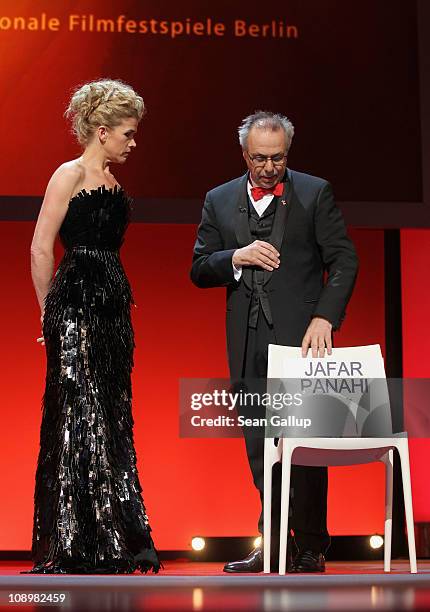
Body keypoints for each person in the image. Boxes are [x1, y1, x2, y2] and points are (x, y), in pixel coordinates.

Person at [190, 111, 358, 573]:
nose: (269, 167)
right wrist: (236, 257)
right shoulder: (219, 199)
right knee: (258, 444)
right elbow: (200, 268)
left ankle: (310, 545)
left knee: (304, 443)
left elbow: (344, 260)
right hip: (246, 338)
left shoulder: (313, 192)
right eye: (260, 158)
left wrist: (325, 317)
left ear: (288, 153)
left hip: (303, 340)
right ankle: (275, 540)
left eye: (278, 158)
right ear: (244, 153)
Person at [27, 79, 160, 574]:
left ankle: (115, 533)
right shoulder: (69, 174)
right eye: (127, 133)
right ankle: (78, 537)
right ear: (102, 132)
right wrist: (49, 312)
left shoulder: (113, 181)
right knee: (80, 418)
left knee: (112, 414)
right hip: (75, 306)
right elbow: (41, 247)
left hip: (112, 312)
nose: (133, 141)